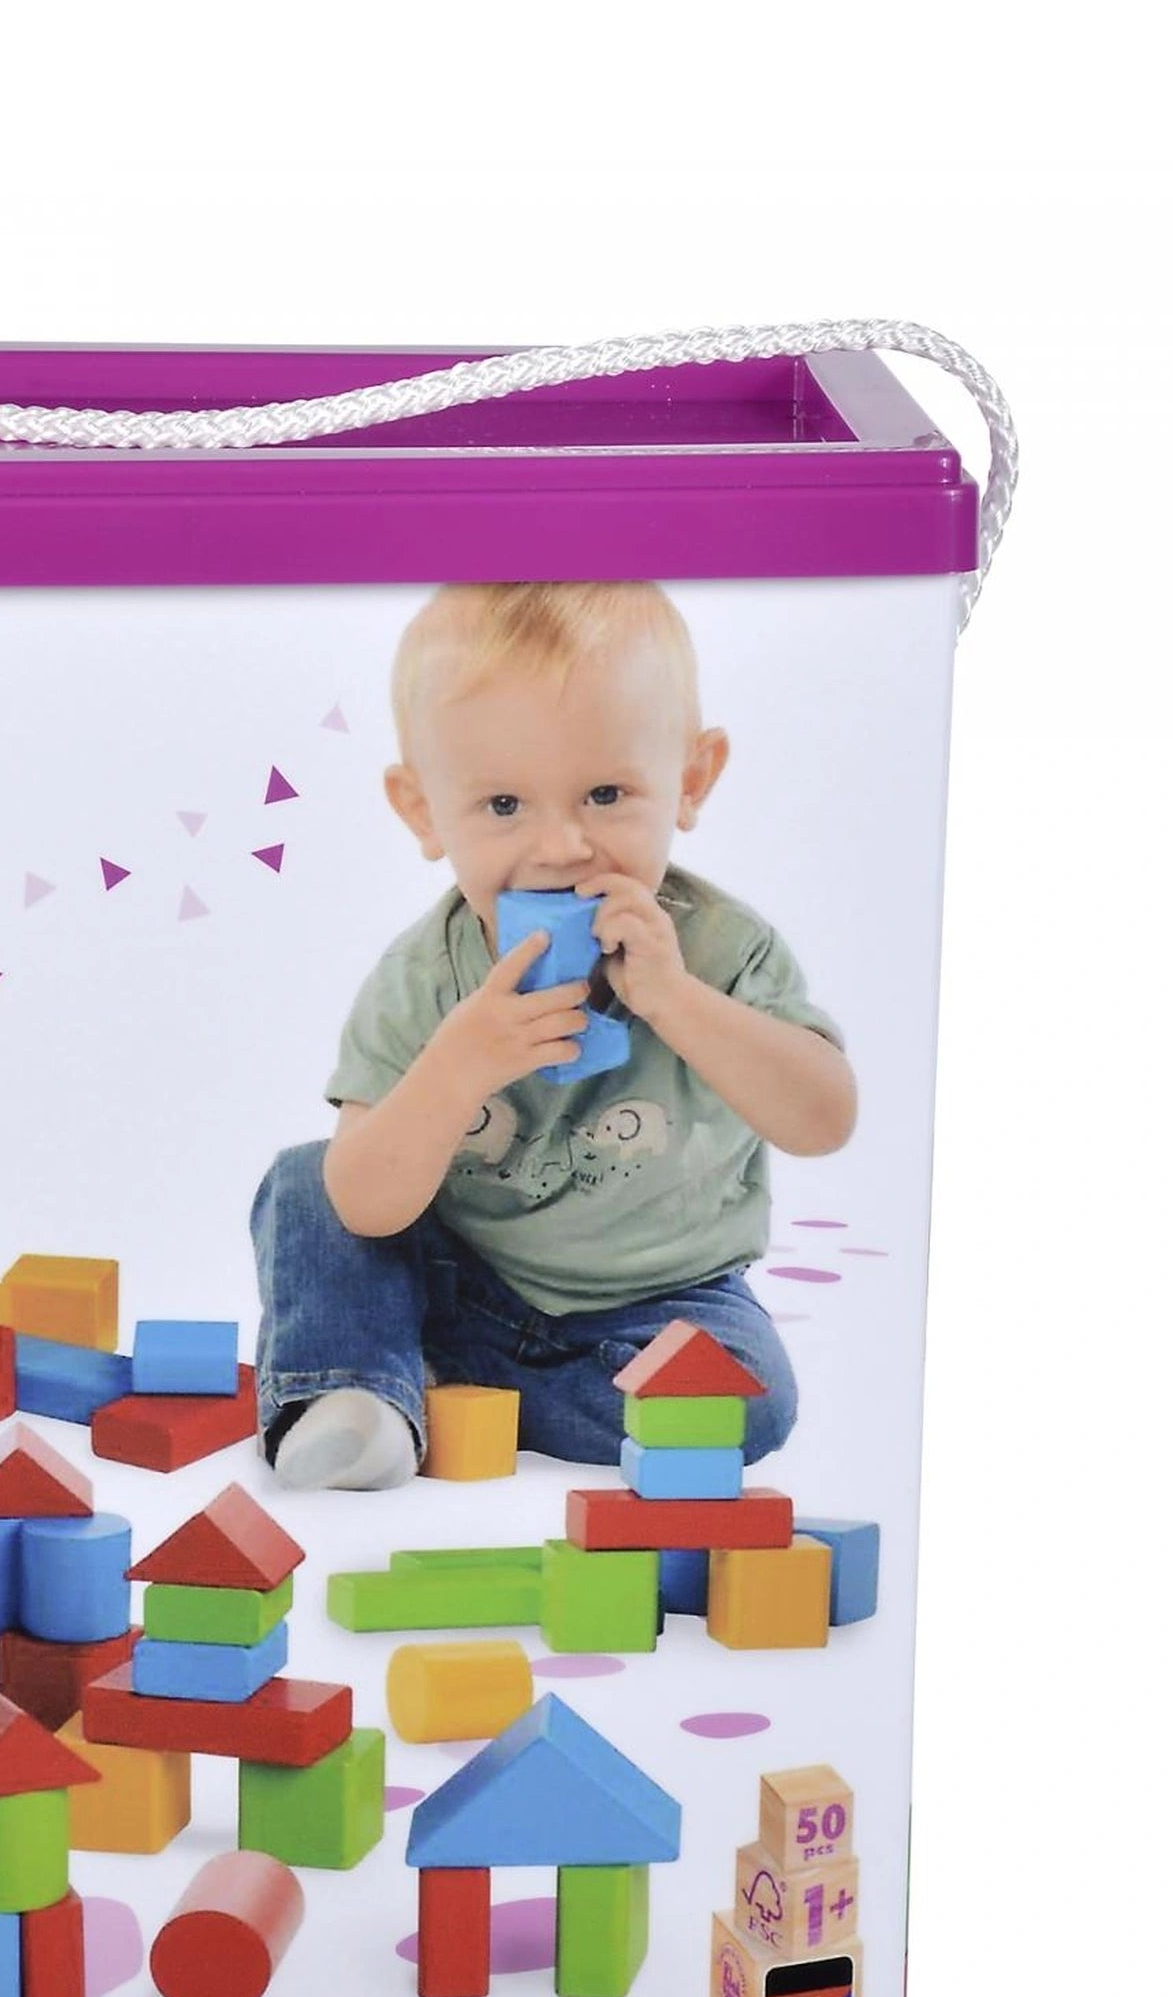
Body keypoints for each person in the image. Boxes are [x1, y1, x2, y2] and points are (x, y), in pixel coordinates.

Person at [253, 581, 855, 1490]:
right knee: (309, 1182)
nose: (562, 847)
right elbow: (367, 1208)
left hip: (659, 1308)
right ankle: (360, 1401)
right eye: (504, 805)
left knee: (753, 1402)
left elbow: (823, 1119)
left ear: (691, 780)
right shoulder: (424, 980)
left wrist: (676, 1001)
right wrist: (456, 1069)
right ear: (424, 811)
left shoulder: (722, 950)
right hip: (462, 1281)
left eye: (606, 794)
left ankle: (411, 1387)